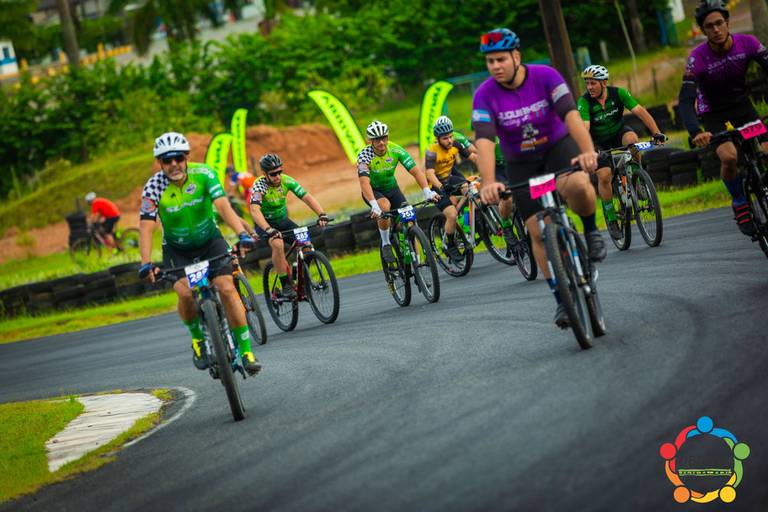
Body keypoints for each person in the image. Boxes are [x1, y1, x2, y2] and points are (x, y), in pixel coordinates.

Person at [472, 28, 605, 328]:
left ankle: (591, 231)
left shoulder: (546, 76)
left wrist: (588, 151)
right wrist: (489, 181)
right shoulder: (484, 95)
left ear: (516, 56)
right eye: (490, 61)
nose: (495, 66)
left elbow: (571, 116)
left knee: (578, 185)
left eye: (501, 59)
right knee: (535, 229)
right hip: (522, 163)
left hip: (557, 149)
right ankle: (561, 299)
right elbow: (484, 140)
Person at [137, 132, 261, 375]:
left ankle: (246, 352)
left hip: (210, 241)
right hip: (177, 249)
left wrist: (241, 234)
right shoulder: (153, 187)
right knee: (184, 293)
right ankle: (198, 340)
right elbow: (146, 225)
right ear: (160, 163)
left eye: (178, 158)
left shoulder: (204, 173)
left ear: (186, 157)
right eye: (167, 160)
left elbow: (222, 205)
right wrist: (145, 263)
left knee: (227, 288)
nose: (173, 164)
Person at [679, 0, 768, 236]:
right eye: (709, 26)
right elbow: (686, 101)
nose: (716, 29)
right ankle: (739, 201)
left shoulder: (748, 43)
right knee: (729, 157)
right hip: (713, 113)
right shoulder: (697, 58)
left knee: (767, 150)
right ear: (703, 30)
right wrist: (696, 132)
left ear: (728, 22)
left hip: (743, 107)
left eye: (719, 23)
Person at [577, 65, 667, 239]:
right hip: (598, 142)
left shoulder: (619, 93)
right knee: (604, 175)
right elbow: (584, 128)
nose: (589, 87)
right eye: (587, 83)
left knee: (632, 139)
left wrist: (657, 133)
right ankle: (611, 219)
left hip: (619, 133)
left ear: (604, 83)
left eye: (593, 83)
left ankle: (637, 180)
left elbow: (640, 112)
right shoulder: (584, 102)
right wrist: (589, 151)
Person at [357, 120, 439, 263]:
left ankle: (416, 262)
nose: (381, 142)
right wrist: (374, 205)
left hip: (392, 189)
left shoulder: (395, 150)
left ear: (387, 137)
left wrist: (427, 192)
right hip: (373, 191)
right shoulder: (364, 156)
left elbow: (416, 172)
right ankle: (386, 243)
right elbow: (364, 183)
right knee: (384, 206)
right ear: (370, 141)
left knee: (409, 220)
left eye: (384, 138)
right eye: (377, 139)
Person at [249, 153, 328, 300]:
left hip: (282, 221)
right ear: (265, 174)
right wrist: (268, 229)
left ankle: (302, 279)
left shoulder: (286, 180)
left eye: (280, 172)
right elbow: (254, 210)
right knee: (278, 244)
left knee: (306, 244)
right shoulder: (259, 186)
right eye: (273, 174)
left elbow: (306, 197)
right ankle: (285, 284)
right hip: (265, 223)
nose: (278, 176)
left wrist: (321, 214)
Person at [424, 115, 477, 262]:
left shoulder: (455, 144)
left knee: (472, 190)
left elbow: (473, 157)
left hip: (449, 178)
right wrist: (441, 186)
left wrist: (488, 171)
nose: (449, 140)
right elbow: (429, 174)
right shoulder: (432, 151)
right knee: (452, 215)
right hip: (436, 185)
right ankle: (450, 245)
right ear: (438, 139)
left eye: (451, 136)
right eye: (445, 138)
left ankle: (465, 223)